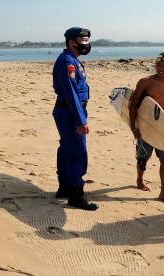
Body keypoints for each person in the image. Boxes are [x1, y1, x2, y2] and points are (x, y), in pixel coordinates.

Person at [52, 27, 98, 211]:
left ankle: (64, 187)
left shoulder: (72, 60)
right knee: (77, 152)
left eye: (87, 40)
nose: (85, 44)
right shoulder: (67, 62)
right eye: (82, 41)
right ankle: (76, 195)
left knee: (66, 148)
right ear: (71, 42)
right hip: (71, 112)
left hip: (69, 110)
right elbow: (71, 93)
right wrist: (80, 120)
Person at [129, 52, 164, 205]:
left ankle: (163, 193)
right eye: (158, 65)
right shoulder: (145, 82)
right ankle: (139, 180)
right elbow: (133, 105)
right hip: (146, 125)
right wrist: (134, 128)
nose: (161, 68)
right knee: (143, 157)